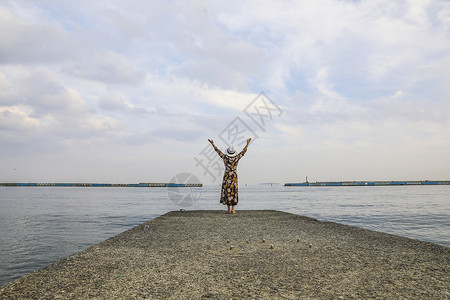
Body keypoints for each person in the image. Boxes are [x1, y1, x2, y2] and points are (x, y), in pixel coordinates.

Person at [208, 138, 252, 214]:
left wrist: (213, 144)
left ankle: (229, 209)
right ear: (234, 152)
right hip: (234, 176)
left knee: (227, 191)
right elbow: (243, 152)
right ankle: (233, 209)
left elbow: (218, 151)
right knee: (233, 191)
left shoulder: (225, 157)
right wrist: (247, 143)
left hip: (227, 176)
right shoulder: (236, 158)